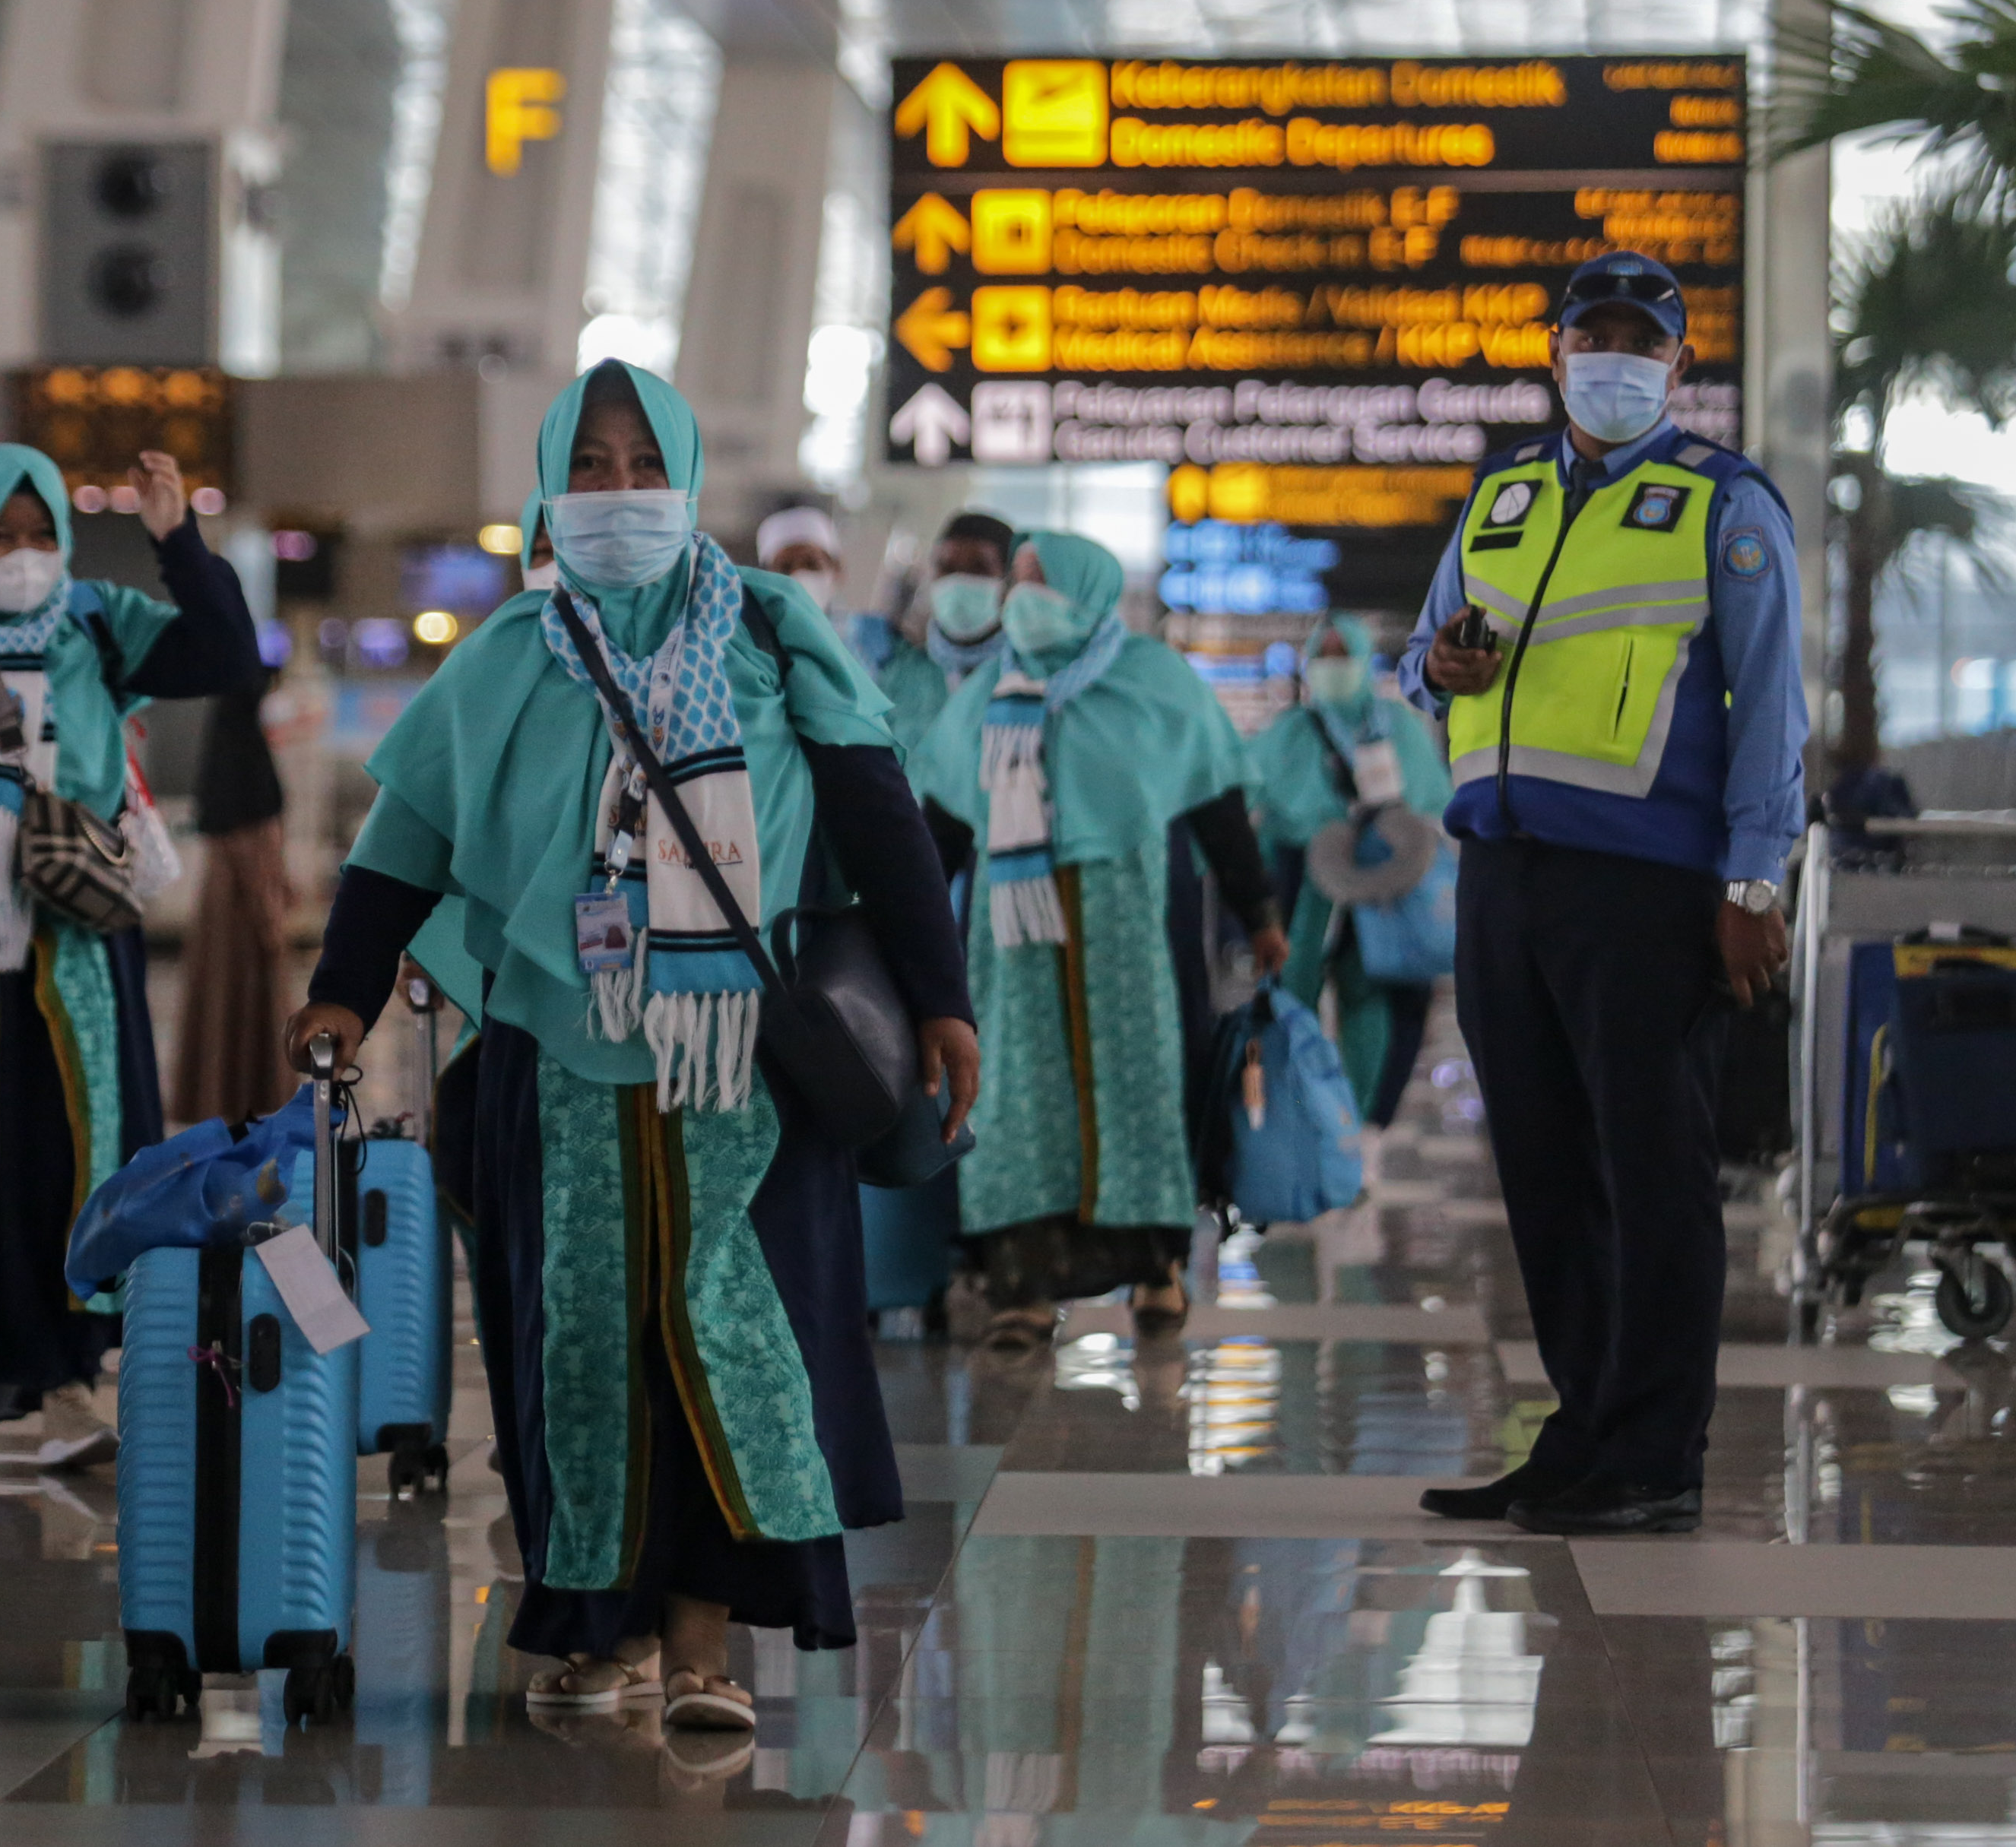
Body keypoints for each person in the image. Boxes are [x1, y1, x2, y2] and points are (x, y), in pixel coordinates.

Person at [284, 359, 976, 1738]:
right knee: (578, 1341)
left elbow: (881, 816)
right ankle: (593, 1621)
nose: (615, 493)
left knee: (724, 1332)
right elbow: (398, 847)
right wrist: (341, 995)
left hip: (745, 1065)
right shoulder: (499, 664)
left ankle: (705, 1642)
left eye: (640, 464)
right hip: (563, 1050)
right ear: (548, 488)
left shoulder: (774, 637)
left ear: (688, 480)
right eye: (588, 467)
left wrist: (943, 998)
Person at [1403, 251, 1802, 1538]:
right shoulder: (1503, 491)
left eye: (1644, 338)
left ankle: (1656, 1452)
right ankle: (1584, 1428)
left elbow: (1770, 708)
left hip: (1648, 886)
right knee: (1543, 1166)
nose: (1616, 355)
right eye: (1596, 334)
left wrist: (1754, 876)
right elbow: (1427, 655)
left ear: (1682, 366)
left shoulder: (1724, 504)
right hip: (1503, 873)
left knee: (1652, 1169)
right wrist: (1447, 662)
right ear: (1556, 350)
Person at [0, 442, 260, 1471]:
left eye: (40, 535)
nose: (23, 553)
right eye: (1, 534)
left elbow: (223, 656)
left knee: (73, 1148)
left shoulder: (95, 620)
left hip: (72, 933)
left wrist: (179, 541)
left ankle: (74, 1376)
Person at [910, 531, 1286, 1348]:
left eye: (1039, 581)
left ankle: (1156, 1269)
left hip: (1131, 936)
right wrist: (897, 927)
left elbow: (1216, 803)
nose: (1021, 597)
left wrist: (1259, 913)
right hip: (1012, 955)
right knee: (1017, 1103)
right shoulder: (985, 700)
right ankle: (1020, 1287)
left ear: (1087, 589)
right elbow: (937, 825)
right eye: (1017, 581)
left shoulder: (1152, 682)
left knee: (1138, 1094)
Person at [1246, 613, 1454, 1126]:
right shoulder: (1290, 733)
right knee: (1294, 994)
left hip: (1386, 882)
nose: (1334, 666)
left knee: (1375, 995)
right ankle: (1301, 1119)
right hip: (1305, 877)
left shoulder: (1396, 726)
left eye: (1344, 655)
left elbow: (1432, 801)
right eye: (1325, 655)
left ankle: (1365, 1124)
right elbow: (1252, 797)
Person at [170, 665, 294, 1126]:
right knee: (246, 997)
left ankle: (218, 1096)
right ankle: (251, 1095)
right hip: (245, 900)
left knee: (221, 1000)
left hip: (220, 902)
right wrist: (270, 909)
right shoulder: (248, 756)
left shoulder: (224, 751)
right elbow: (255, 839)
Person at [877, 512, 1016, 765]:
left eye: (979, 569)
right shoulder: (900, 672)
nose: (959, 581)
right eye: (948, 569)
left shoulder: (1026, 675)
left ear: (1009, 582)